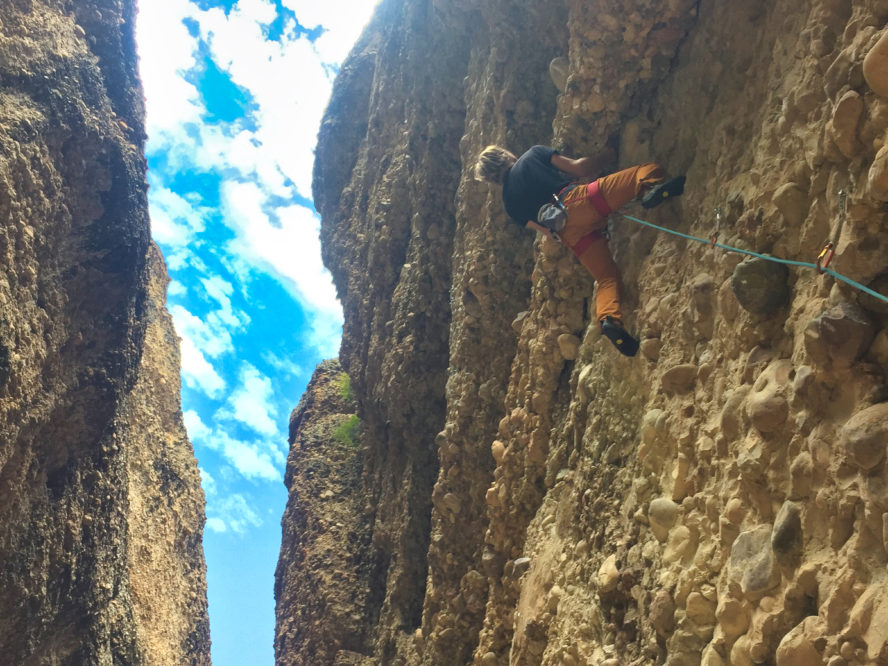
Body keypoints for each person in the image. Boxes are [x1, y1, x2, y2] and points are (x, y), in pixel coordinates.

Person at [475, 144, 684, 357]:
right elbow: (580, 168)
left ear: (492, 180)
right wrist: (606, 155)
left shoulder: (509, 205)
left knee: (606, 278)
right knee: (644, 170)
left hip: (568, 233)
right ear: (504, 154)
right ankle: (652, 188)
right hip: (579, 201)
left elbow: (546, 231)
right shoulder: (531, 155)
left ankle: (609, 320)